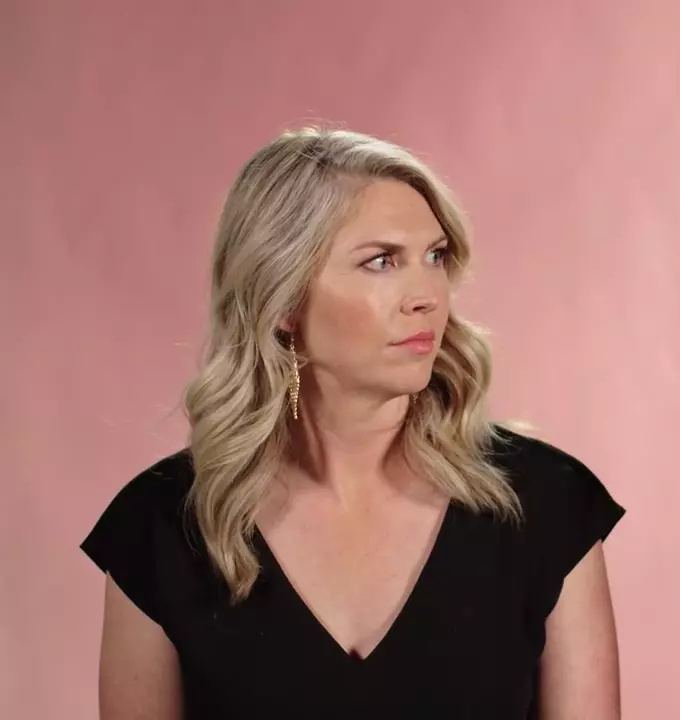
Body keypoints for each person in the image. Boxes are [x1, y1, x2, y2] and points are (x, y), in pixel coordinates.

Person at [81, 127, 625, 719]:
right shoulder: (161, 527)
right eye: (381, 261)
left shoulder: (547, 504)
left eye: (435, 257)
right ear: (283, 301)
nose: (426, 295)